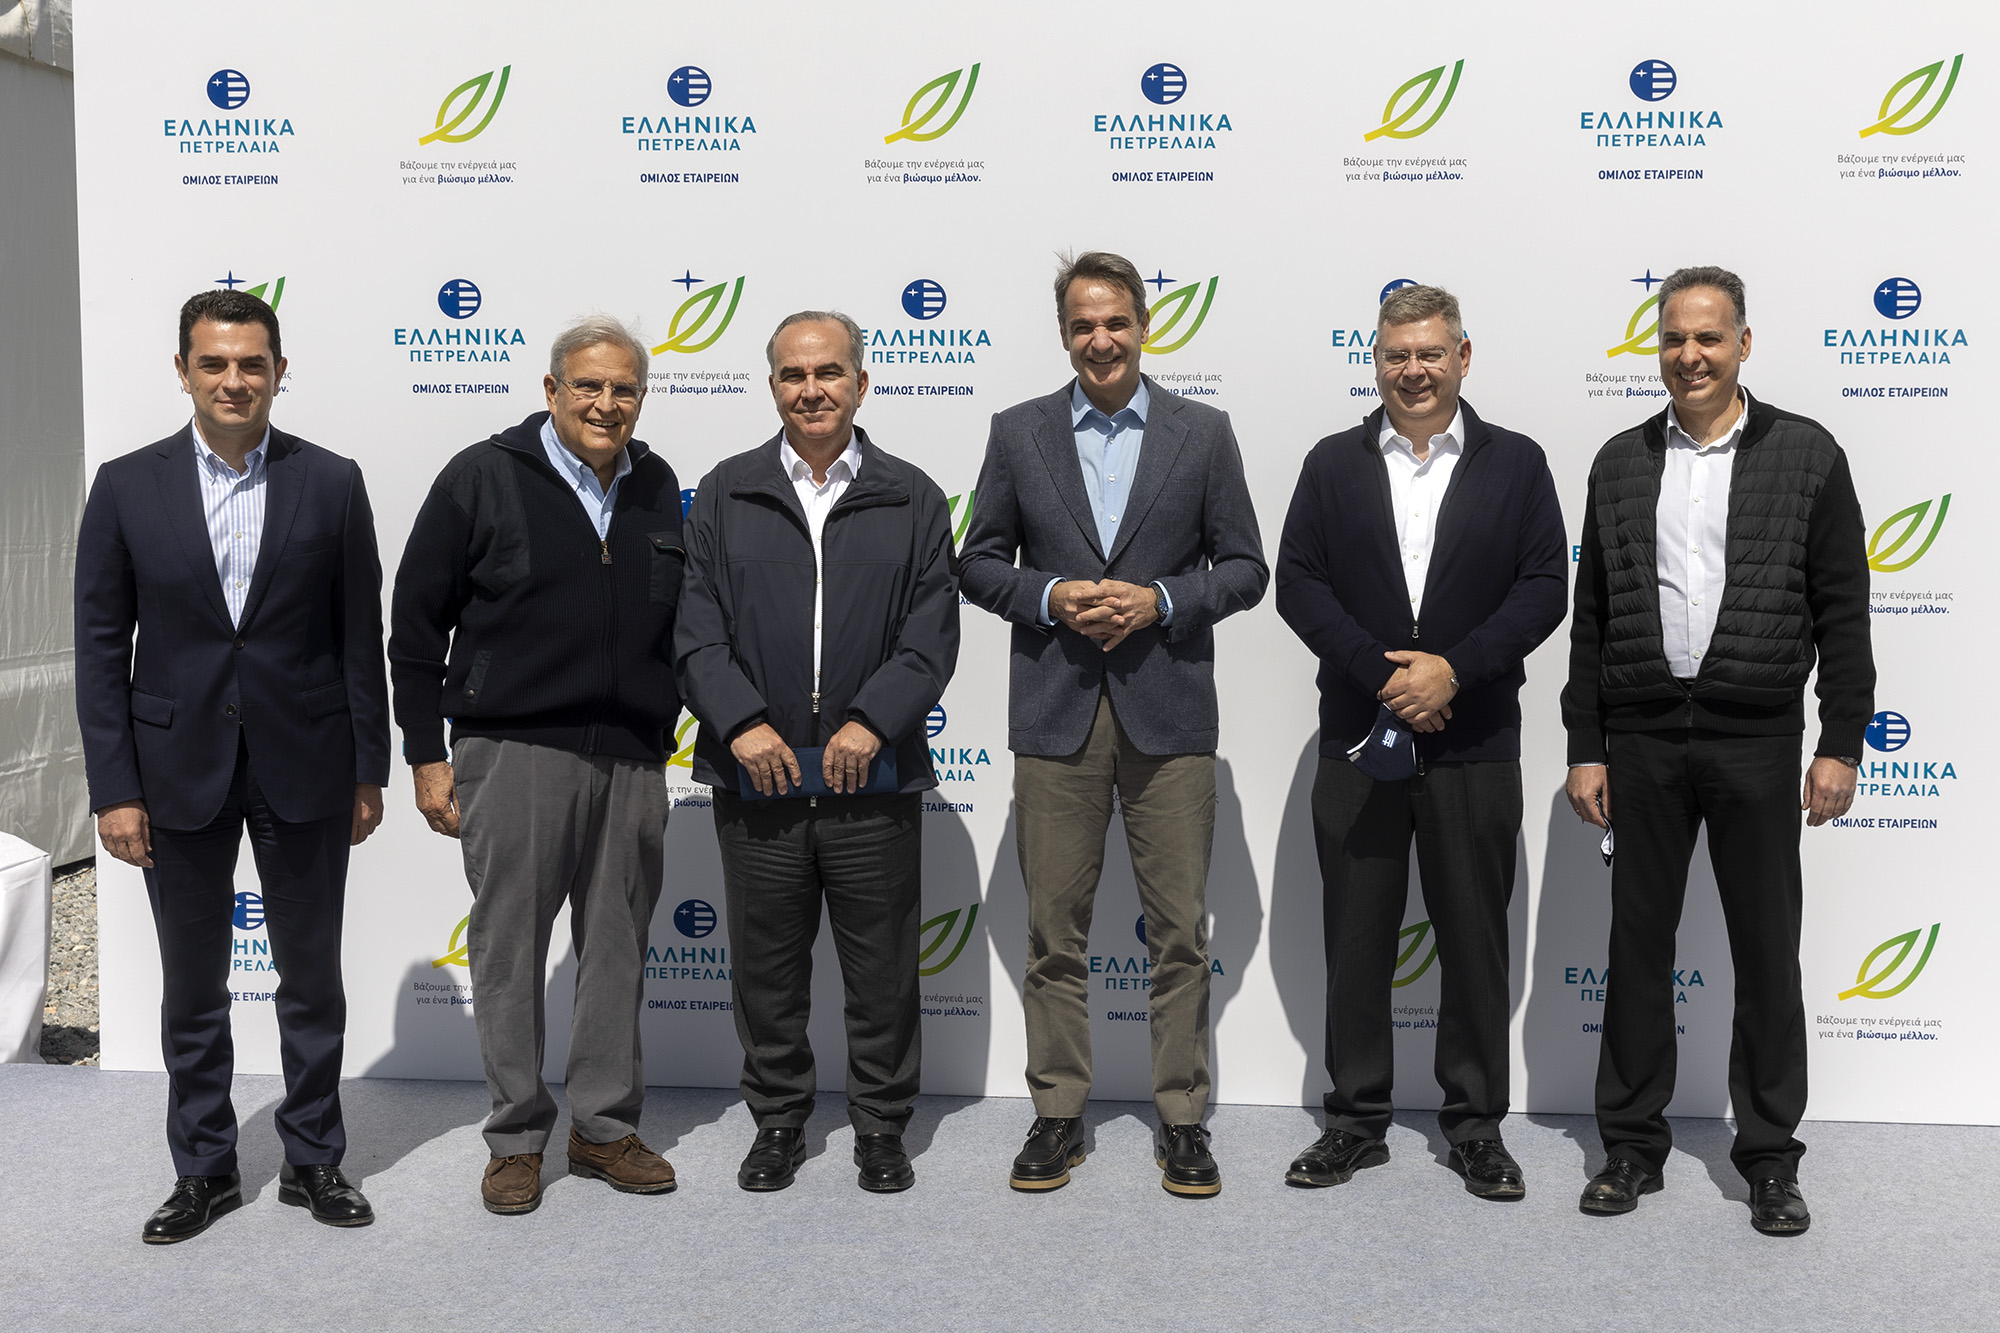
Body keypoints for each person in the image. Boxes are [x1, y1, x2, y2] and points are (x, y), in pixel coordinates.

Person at [1562, 265, 1873, 1236]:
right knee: (1635, 948)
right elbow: (1590, 618)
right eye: (1672, 338)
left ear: (1742, 343)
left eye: (1707, 337)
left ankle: (1770, 1159)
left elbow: (1843, 610)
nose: (1688, 355)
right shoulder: (1618, 461)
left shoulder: (1807, 453)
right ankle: (1629, 1147)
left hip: (1756, 739)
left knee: (1766, 955)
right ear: (1655, 347)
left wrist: (1840, 741)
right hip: (1643, 739)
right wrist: (1585, 744)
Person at [75, 290, 389, 1242]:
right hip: (175, 770)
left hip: (308, 763)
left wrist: (368, 767)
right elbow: (100, 649)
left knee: (311, 979)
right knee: (192, 986)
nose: (234, 380)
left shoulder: (331, 481)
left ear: (280, 371)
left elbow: (358, 636)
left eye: (252, 363)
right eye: (213, 363)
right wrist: (115, 789)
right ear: (183, 371)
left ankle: (314, 1158)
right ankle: (204, 1168)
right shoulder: (126, 486)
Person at [959, 251, 1267, 1197]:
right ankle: (1059, 1112)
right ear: (1064, 334)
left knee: (1179, 933)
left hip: (1169, 718)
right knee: (1054, 932)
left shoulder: (1202, 433)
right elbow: (978, 562)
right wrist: (1051, 595)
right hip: (1055, 716)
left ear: (1144, 326)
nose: (1101, 339)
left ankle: (1183, 1118)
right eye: (1083, 325)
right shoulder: (1017, 431)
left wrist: (1162, 601)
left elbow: (1246, 567)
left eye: (1116, 321)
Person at [1274, 284, 1566, 1199]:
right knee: (1356, 936)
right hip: (1358, 742)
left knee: (1474, 940)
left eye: (1431, 353)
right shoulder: (1332, 463)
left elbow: (1543, 588)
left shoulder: (1518, 463)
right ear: (1376, 362)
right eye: (1397, 355)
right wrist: (1387, 677)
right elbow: (1298, 583)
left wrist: (1453, 672)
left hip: (1474, 742)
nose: (1414, 370)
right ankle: (1354, 1121)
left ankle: (1475, 1126)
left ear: (1463, 358)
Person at [389, 316, 685, 1215]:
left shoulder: (657, 484)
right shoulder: (482, 475)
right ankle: (517, 1138)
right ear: (551, 390)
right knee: (510, 948)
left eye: (624, 388)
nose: (606, 403)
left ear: (642, 396)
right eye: (588, 385)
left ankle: (604, 1128)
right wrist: (425, 753)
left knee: (618, 949)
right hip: (512, 749)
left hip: (631, 757)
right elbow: (415, 624)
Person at [675, 310, 960, 1195]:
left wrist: (872, 720)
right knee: (766, 969)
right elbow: (695, 630)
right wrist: (741, 723)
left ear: (861, 383)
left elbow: (930, 635)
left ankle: (880, 1126)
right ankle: (778, 1122)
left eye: (829, 372)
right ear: (772, 387)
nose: (812, 390)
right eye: (794, 375)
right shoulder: (725, 490)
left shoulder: (913, 496)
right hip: (756, 779)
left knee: (883, 969)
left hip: (872, 778)